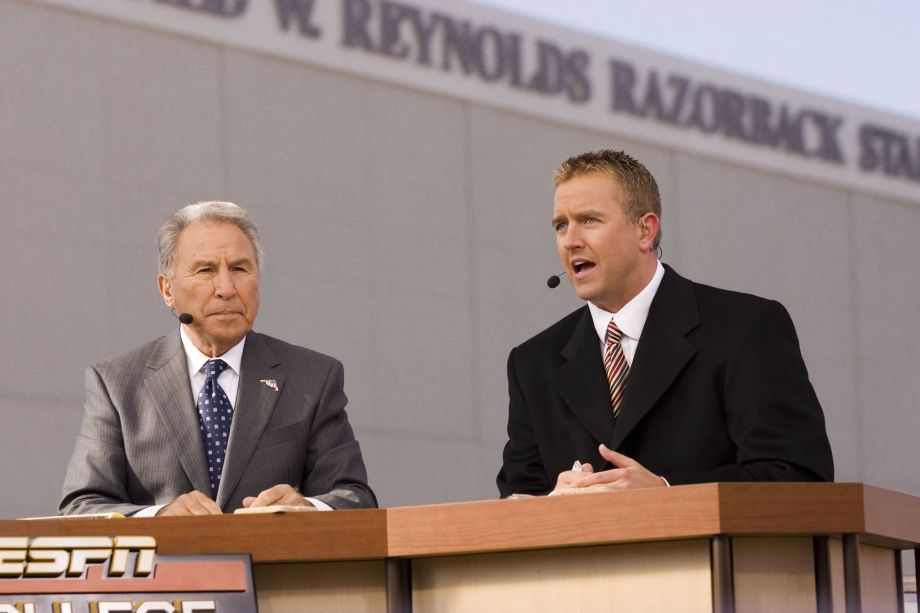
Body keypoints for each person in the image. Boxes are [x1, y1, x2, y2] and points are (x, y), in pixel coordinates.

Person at [497, 149, 833, 497]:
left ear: (645, 230)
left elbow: (797, 475)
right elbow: (518, 497)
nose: (570, 240)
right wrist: (552, 502)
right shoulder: (534, 362)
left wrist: (665, 490)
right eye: (561, 225)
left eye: (589, 220)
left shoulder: (746, 328)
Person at [61, 201, 376, 516]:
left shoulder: (312, 378)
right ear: (167, 289)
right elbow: (81, 506)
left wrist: (309, 507)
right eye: (205, 270)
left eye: (239, 268)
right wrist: (159, 517)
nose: (226, 288)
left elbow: (355, 498)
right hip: (168, 564)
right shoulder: (117, 384)